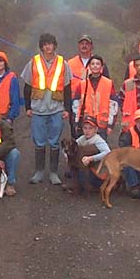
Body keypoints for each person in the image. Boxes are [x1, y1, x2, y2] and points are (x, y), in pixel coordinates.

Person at [21, 33, 73, 185]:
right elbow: (27, 86)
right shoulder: (34, 62)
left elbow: (68, 87)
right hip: (38, 109)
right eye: (45, 44)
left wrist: (67, 109)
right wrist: (27, 107)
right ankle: (39, 171)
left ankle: (53, 173)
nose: (48, 47)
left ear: (54, 45)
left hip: (56, 108)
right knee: (39, 142)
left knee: (55, 142)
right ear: (41, 46)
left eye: (50, 44)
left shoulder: (63, 63)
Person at [67, 34, 110, 137]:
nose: (84, 46)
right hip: (76, 104)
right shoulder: (70, 63)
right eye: (82, 43)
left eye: (87, 44)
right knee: (77, 135)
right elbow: (66, 85)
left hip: (97, 107)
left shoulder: (99, 63)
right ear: (78, 46)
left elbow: (107, 86)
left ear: (91, 46)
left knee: (97, 138)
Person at [72, 55, 118, 139]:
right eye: (92, 64)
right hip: (86, 124)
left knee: (101, 149)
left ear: (102, 67)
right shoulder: (82, 84)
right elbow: (76, 105)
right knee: (84, 150)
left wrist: (110, 125)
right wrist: (76, 122)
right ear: (89, 67)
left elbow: (113, 105)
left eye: (98, 64)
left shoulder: (108, 83)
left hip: (102, 125)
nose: (95, 66)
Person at [73, 116, 112, 192]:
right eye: (85, 128)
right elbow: (74, 145)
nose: (87, 131)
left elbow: (108, 152)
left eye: (90, 128)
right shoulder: (82, 138)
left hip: (98, 171)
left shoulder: (98, 140)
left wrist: (91, 158)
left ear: (96, 129)